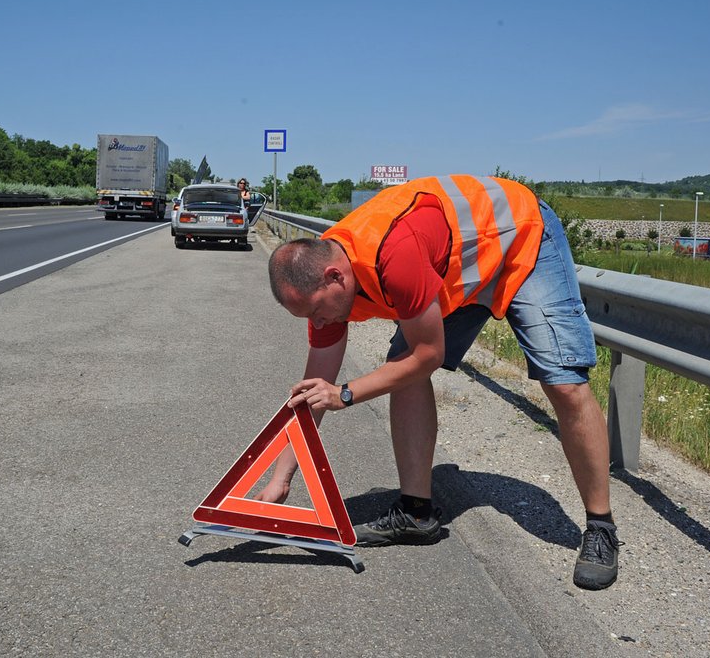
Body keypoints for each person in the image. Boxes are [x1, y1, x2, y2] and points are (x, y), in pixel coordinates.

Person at [261, 174, 621, 591]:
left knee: (563, 382)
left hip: (520, 237)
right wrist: (280, 478)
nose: (316, 324)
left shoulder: (392, 255)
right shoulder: (324, 285)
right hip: (457, 266)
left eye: (317, 313)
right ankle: (416, 514)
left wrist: (347, 393)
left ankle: (601, 526)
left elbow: (428, 355)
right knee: (402, 366)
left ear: (334, 277)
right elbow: (314, 388)